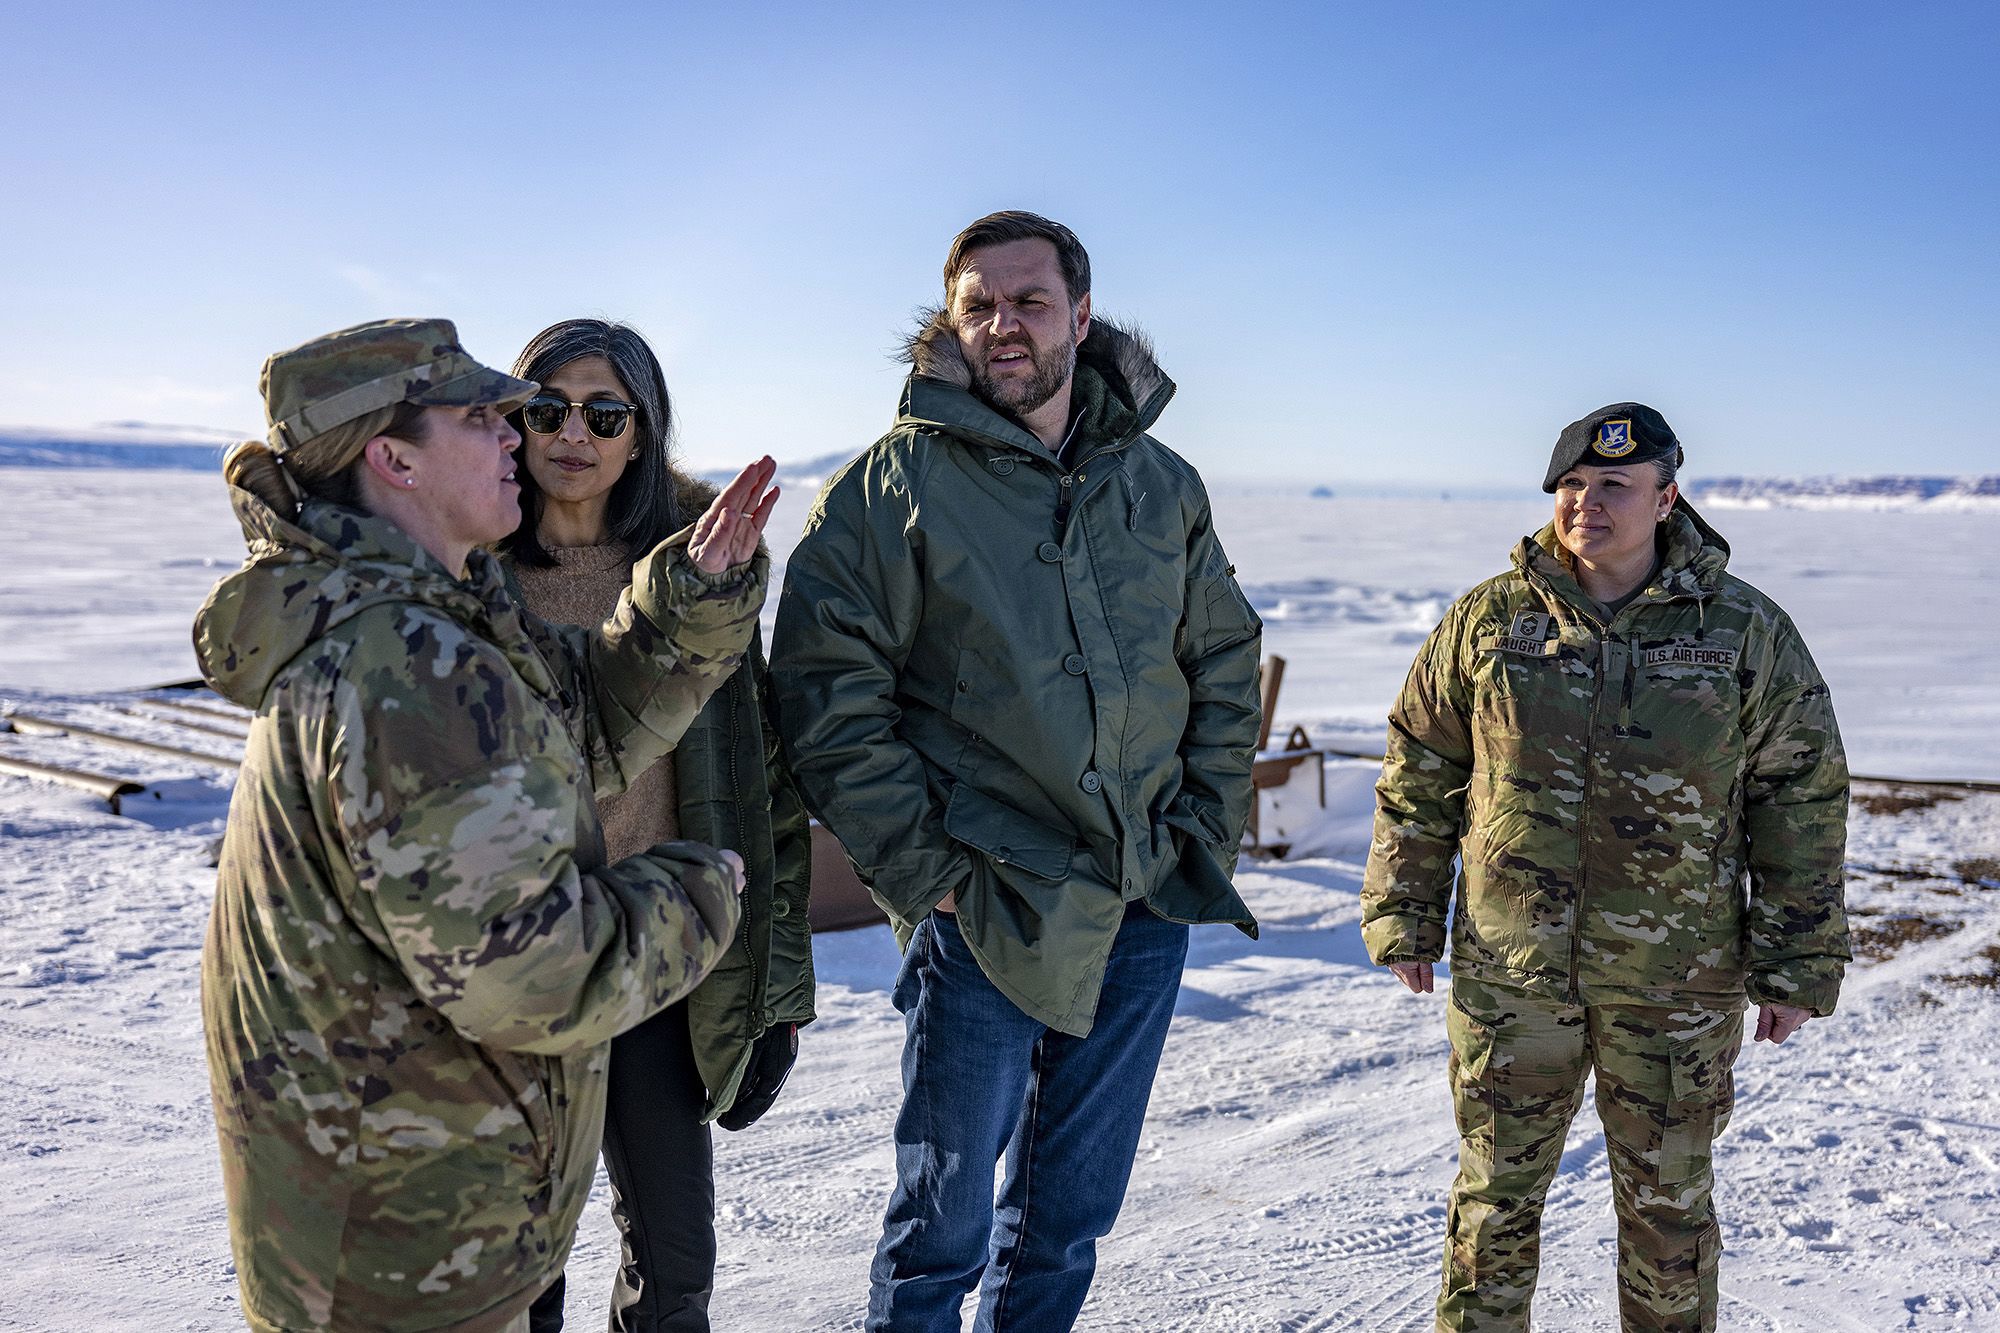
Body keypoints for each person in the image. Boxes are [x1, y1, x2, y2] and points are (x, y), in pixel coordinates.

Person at [195, 317, 781, 1333]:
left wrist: (685, 605)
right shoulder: (405, 667)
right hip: (407, 1248)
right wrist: (695, 895)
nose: (520, 434)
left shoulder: (427, 619)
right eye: (486, 417)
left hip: (415, 1206)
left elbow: (582, 726)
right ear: (393, 459)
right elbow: (531, 975)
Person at [772, 211, 1264, 1331]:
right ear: (948, 323)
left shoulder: (1159, 483)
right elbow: (824, 696)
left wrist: (1202, 823)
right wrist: (926, 869)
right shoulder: (888, 489)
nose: (1003, 325)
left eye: (1028, 302)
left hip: (1143, 892)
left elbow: (1220, 657)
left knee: (1067, 1221)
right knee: (937, 1233)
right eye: (978, 304)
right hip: (986, 904)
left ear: (1079, 318)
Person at [1362, 402, 1850, 1331]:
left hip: (1678, 984)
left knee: (1668, 1218)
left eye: (1614, 486)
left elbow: (1802, 795)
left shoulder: (1743, 632)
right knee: (1492, 1205)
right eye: (1572, 486)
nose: (1587, 502)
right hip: (1513, 975)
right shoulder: (1490, 620)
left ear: (1667, 498)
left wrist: (1798, 961)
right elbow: (1421, 764)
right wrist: (1404, 908)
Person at [497, 319, 814, 1333]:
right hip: (516, 970)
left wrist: (777, 984)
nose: (572, 434)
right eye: (546, 408)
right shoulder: (473, 577)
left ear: (641, 431)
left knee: (675, 1268)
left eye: (603, 411)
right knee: (514, 1277)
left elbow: (758, 782)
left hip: (656, 956)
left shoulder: (696, 581)